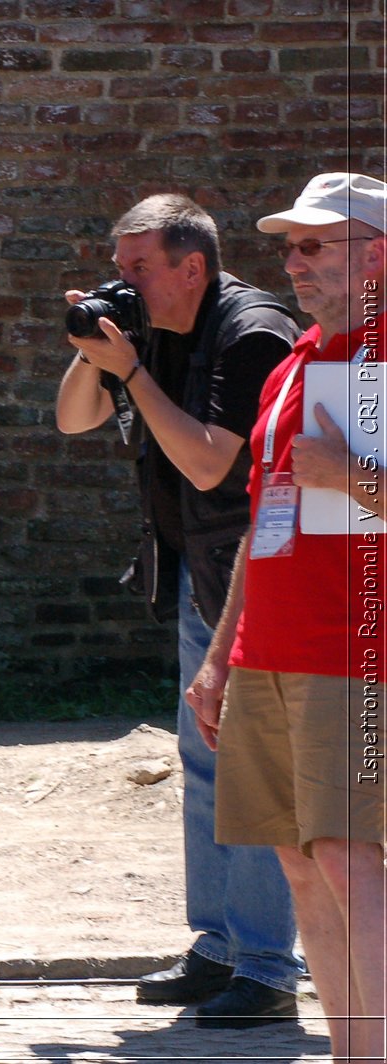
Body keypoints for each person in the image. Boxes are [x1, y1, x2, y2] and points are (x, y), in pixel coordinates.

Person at [54, 195, 304, 1024]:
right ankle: (218, 945)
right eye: (118, 267)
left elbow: (207, 465)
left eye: (137, 269)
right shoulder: (151, 329)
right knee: (204, 768)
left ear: (191, 268)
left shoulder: (251, 331)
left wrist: (130, 370)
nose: (121, 283)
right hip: (200, 573)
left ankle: (267, 967)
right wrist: (97, 350)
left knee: (254, 773)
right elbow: (71, 418)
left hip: (254, 582)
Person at [189, 172, 386, 1059]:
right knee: (301, 867)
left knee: (349, 859)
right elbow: (265, 518)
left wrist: (348, 478)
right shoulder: (296, 362)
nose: (293, 262)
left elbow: (347, 495)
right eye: (289, 246)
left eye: (315, 244)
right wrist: (223, 652)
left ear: (376, 255)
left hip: (355, 652)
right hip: (271, 650)